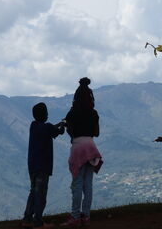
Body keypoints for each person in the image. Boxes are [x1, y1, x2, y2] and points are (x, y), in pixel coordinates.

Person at [61, 77, 103, 228]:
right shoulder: (93, 113)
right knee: (88, 184)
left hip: (78, 147)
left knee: (77, 184)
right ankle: (86, 216)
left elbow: (71, 132)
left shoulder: (72, 113)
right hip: (91, 146)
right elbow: (96, 133)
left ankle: (75, 216)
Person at [21, 103, 65, 229]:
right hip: (43, 166)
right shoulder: (47, 128)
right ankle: (38, 222)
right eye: (46, 112)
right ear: (45, 115)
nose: (48, 114)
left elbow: (50, 129)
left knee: (33, 192)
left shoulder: (33, 126)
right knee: (41, 193)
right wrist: (63, 125)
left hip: (32, 165)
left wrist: (57, 125)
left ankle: (27, 219)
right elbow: (59, 132)